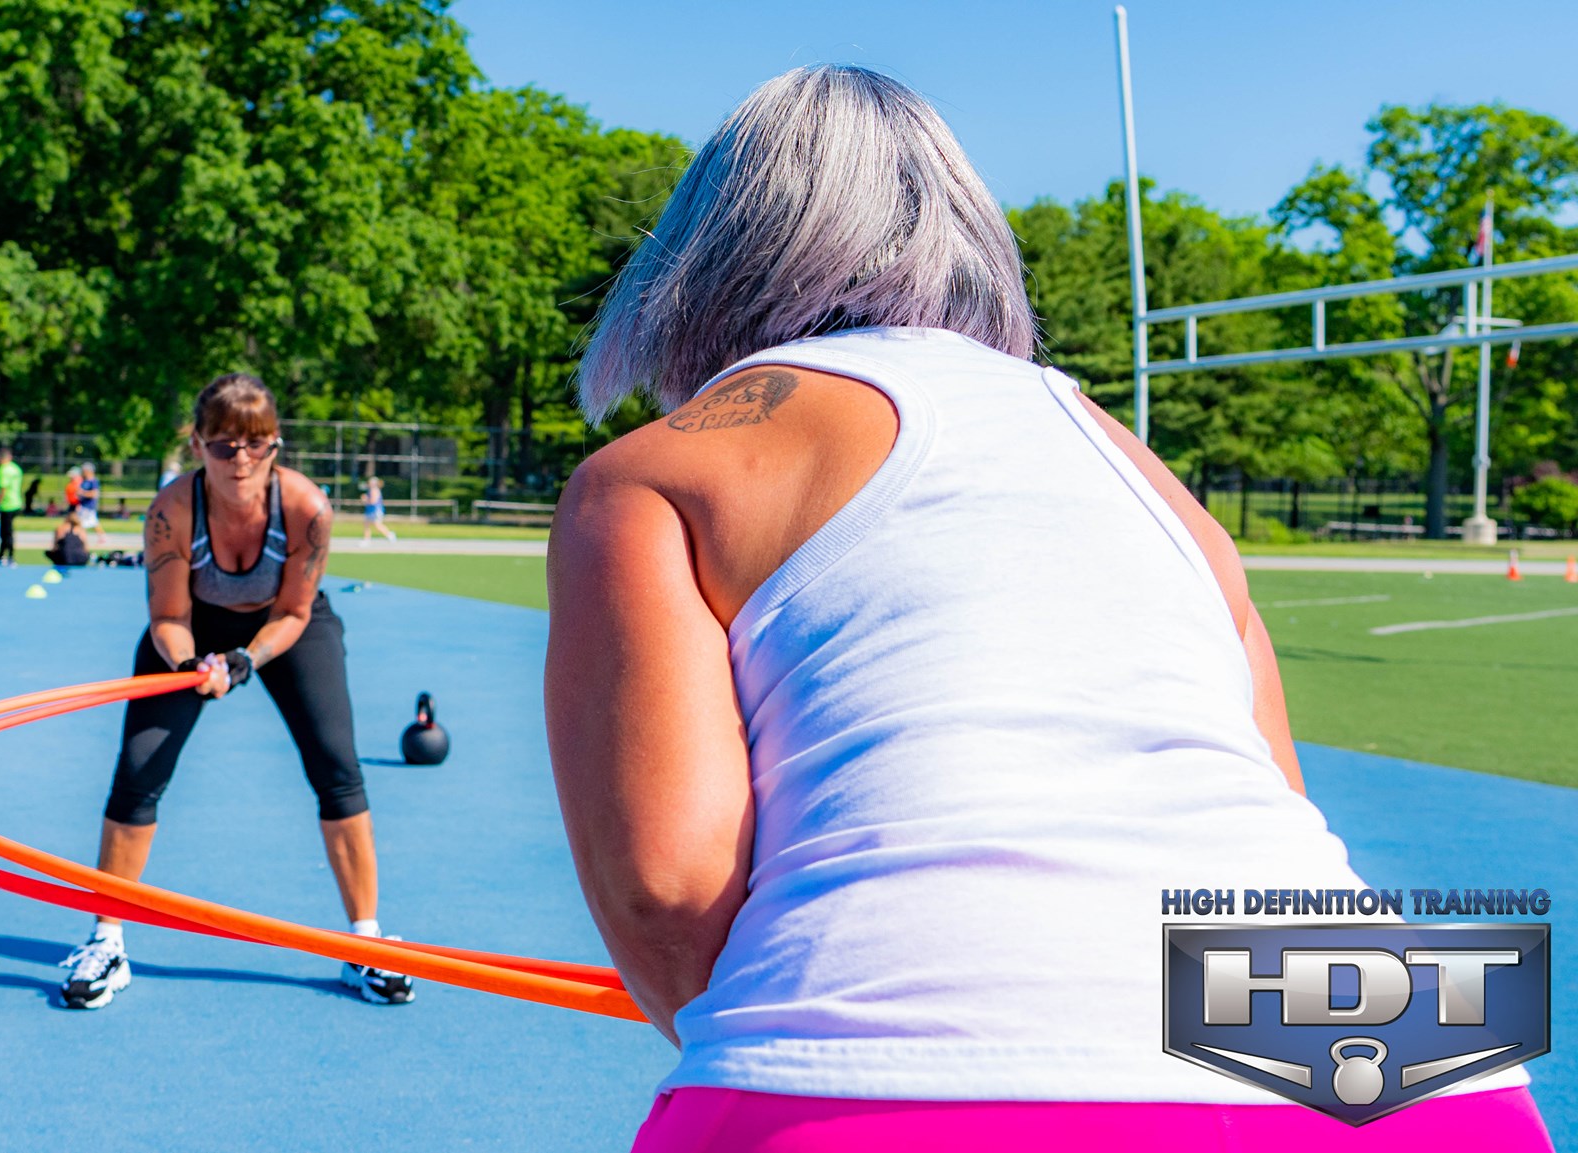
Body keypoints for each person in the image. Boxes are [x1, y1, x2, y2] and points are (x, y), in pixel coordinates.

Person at [543, 67, 1552, 1153]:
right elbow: (1271, 802)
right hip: (1418, 1072)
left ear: (695, 263)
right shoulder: (1144, 473)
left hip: (905, 1069)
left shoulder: (654, 474)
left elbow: (669, 893)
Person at [57, 373, 412, 1010]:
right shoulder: (173, 511)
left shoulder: (308, 510)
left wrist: (245, 660)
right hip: (189, 629)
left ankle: (366, 943)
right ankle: (106, 940)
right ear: (198, 446)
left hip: (285, 627)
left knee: (338, 770)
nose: (240, 459)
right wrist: (196, 664)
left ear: (275, 445)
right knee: (137, 775)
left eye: (256, 443)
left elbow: (296, 613)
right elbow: (166, 617)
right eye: (224, 445)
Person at [0, 447, 24, 566]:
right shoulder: (16, 468)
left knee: (6, 532)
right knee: (8, 531)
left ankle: (8, 555)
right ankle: (3, 554)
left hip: (7, 504)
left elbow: (3, 488)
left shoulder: (3, 469)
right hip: (16, 502)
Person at [360, 474, 395, 544]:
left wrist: (365, 499)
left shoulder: (374, 490)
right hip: (370, 510)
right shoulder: (371, 490)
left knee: (377, 525)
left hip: (375, 511)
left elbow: (373, 501)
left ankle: (390, 535)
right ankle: (366, 540)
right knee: (367, 525)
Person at [78, 461, 107, 545]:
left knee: (82, 523)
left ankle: (82, 538)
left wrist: (83, 493)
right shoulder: (84, 481)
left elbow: (94, 494)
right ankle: (101, 536)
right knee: (93, 522)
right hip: (83, 505)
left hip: (89, 506)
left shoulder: (93, 481)